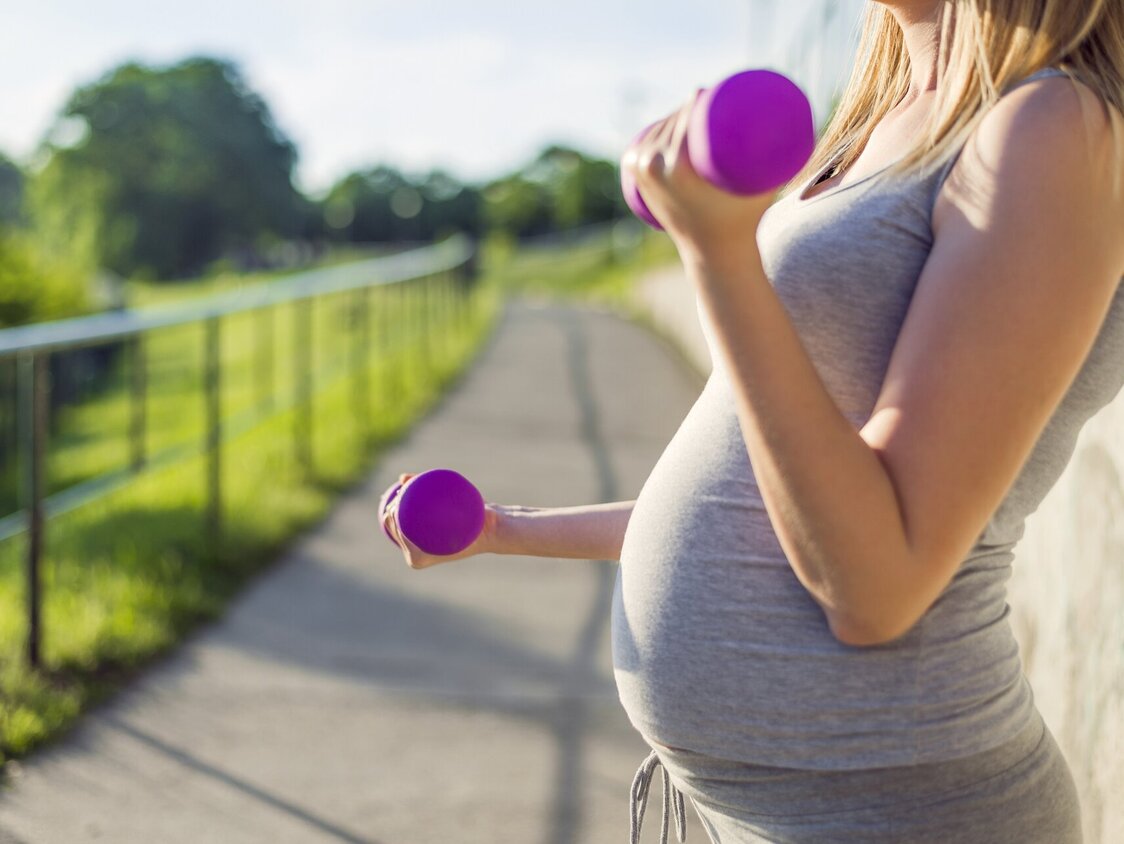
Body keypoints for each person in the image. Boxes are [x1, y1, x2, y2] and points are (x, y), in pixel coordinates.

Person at [381, 0, 1124, 840]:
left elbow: (877, 584)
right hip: (774, 807)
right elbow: (768, 502)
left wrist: (720, 254)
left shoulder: (1053, 126)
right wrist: (503, 529)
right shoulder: (881, 125)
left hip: (900, 807)